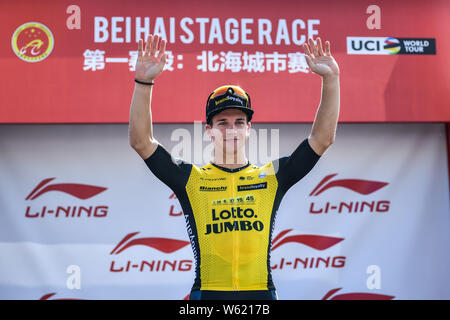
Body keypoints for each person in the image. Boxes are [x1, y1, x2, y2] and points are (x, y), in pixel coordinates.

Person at [129, 34, 340, 300]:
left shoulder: (272, 177)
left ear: (249, 129)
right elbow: (141, 141)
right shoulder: (191, 178)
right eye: (223, 123)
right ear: (209, 131)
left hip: (261, 295)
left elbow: (322, 139)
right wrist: (144, 82)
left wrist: (331, 80)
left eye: (239, 122)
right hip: (207, 295)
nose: (232, 130)